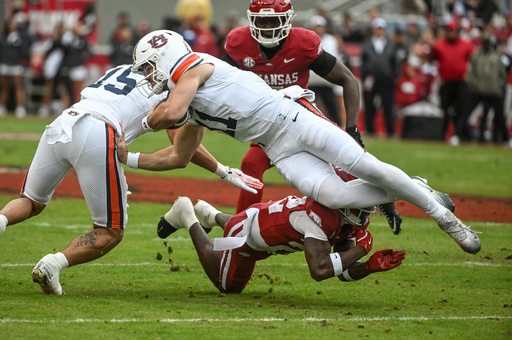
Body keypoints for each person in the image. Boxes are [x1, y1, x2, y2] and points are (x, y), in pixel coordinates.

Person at [124, 29, 481, 255]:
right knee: (333, 196)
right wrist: (130, 157)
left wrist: (143, 120)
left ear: (167, 57)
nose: (149, 77)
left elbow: (168, 113)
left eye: (150, 67)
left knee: (363, 166)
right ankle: (413, 187)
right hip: (275, 145)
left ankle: (445, 219)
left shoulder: (194, 67)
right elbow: (179, 156)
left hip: (293, 117)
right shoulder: (182, 97)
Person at [0, 64, 261, 295]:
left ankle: (1, 220)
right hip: (98, 131)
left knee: (30, 201)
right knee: (110, 232)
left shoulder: (122, 69)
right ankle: (53, 264)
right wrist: (223, 171)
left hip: (63, 122)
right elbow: (182, 150)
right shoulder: (168, 85)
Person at [221, 0, 402, 234]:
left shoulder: (302, 43)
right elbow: (222, 84)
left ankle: (389, 196)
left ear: (286, 20)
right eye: (261, 21)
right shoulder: (238, 43)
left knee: (350, 167)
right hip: (267, 127)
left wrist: (352, 129)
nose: (267, 27)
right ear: (251, 20)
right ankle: (241, 228)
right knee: (250, 164)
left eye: (273, 20)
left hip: (303, 122)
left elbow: (348, 79)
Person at [155, 191, 406, 293]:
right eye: (362, 209)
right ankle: (186, 214)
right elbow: (320, 270)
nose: (365, 216)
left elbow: (343, 270)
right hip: (247, 238)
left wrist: (368, 266)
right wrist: (364, 247)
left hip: (261, 220)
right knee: (228, 286)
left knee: (243, 222)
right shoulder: (319, 218)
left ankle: (211, 214)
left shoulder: (343, 217)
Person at [431, 20, 474, 146]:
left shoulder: (466, 44)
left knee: (461, 110)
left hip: (461, 82)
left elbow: (473, 59)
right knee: (445, 110)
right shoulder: (439, 45)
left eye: (454, 30)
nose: (451, 33)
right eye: (450, 30)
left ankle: (458, 135)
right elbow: (431, 57)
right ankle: (442, 135)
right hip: (446, 82)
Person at [466, 32, 511, 146]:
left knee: (499, 116)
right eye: (484, 43)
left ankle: (506, 138)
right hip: (481, 91)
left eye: (487, 43)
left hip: (494, 92)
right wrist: (477, 84)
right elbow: (472, 73)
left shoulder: (496, 57)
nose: (486, 45)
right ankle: (472, 136)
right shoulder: (478, 57)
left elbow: (503, 75)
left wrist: (497, 86)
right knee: (477, 113)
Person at [361, 17, 401, 138]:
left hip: (387, 81)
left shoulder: (390, 45)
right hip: (371, 80)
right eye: (377, 28)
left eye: (381, 28)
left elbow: (396, 63)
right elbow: (364, 62)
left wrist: (393, 76)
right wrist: (365, 77)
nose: (379, 31)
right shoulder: (367, 44)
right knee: (369, 106)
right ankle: (370, 131)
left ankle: (390, 132)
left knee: (388, 107)